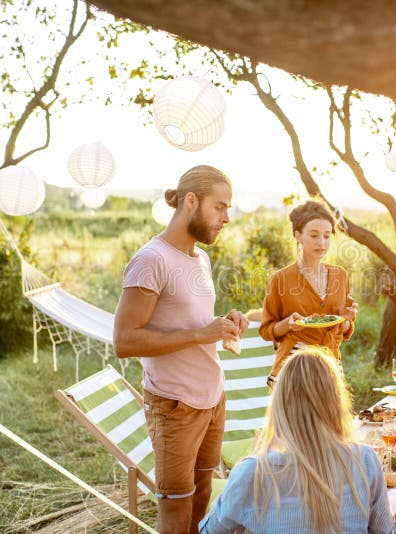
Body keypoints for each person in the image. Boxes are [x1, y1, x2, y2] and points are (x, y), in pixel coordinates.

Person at [113, 165, 248, 534]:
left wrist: (223, 324)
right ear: (191, 201)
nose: (227, 217)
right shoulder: (150, 260)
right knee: (175, 515)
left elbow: (187, 322)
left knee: (201, 502)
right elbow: (125, 341)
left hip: (211, 399)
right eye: (220, 207)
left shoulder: (199, 258)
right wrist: (202, 333)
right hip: (175, 406)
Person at [199, 346, 396, 534]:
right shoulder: (364, 460)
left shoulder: (253, 474)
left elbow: (208, 531)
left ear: (280, 404)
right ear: (336, 403)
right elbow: (386, 531)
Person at [259, 200, 358, 386]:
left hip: (330, 366)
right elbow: (266, 330)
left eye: (327, 236)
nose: (321, 243)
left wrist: (346, 319)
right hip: (293, 366)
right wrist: (288, 324)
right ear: (298, 235)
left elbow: (343, 330)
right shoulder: (280, 279)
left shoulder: (340, 276)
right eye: (314, 235)